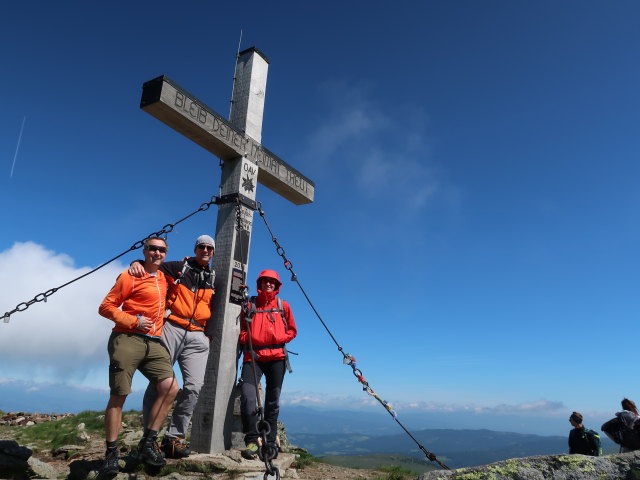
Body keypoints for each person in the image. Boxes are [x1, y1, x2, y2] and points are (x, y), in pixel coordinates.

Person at [130, 234, 216, 458]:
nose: (205, 250)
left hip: (198, 334)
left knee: (194, 386)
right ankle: (149, 438)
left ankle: (173, 438)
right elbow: (152, 265)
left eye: (209, 248)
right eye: (202, 247)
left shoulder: (214, 276)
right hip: (172, 327)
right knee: (159, 383)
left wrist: (209, 335)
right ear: (195, 248)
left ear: (213, 252)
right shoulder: (178, 267)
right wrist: (136, 263)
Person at [98, 237, 178, 475]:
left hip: (153, 342)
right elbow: (105, 306)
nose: (157, 252)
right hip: (126, 338)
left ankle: (147, 443)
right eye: (152, 248)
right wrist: (134, 320)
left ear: (166, 254)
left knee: (171, 387)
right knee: (119, 394)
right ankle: (111, 453)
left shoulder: (165, 278)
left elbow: (191, 267)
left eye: (161, 249)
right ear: (144, 251)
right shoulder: (129, 276)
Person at [238, 269, 297, 460]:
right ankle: (252, 440)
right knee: (247, 398)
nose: (269, 284)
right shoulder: (250, 304)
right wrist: (249, 338)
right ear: (260, 283)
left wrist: (280, 338)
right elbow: (240, 329)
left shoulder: (283, 306)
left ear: (277, 285)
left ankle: (270, 441)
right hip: (253, 357)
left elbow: (293, 330)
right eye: (266, 281)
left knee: (272, 401)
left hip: (277, 357)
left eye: (272, 281)